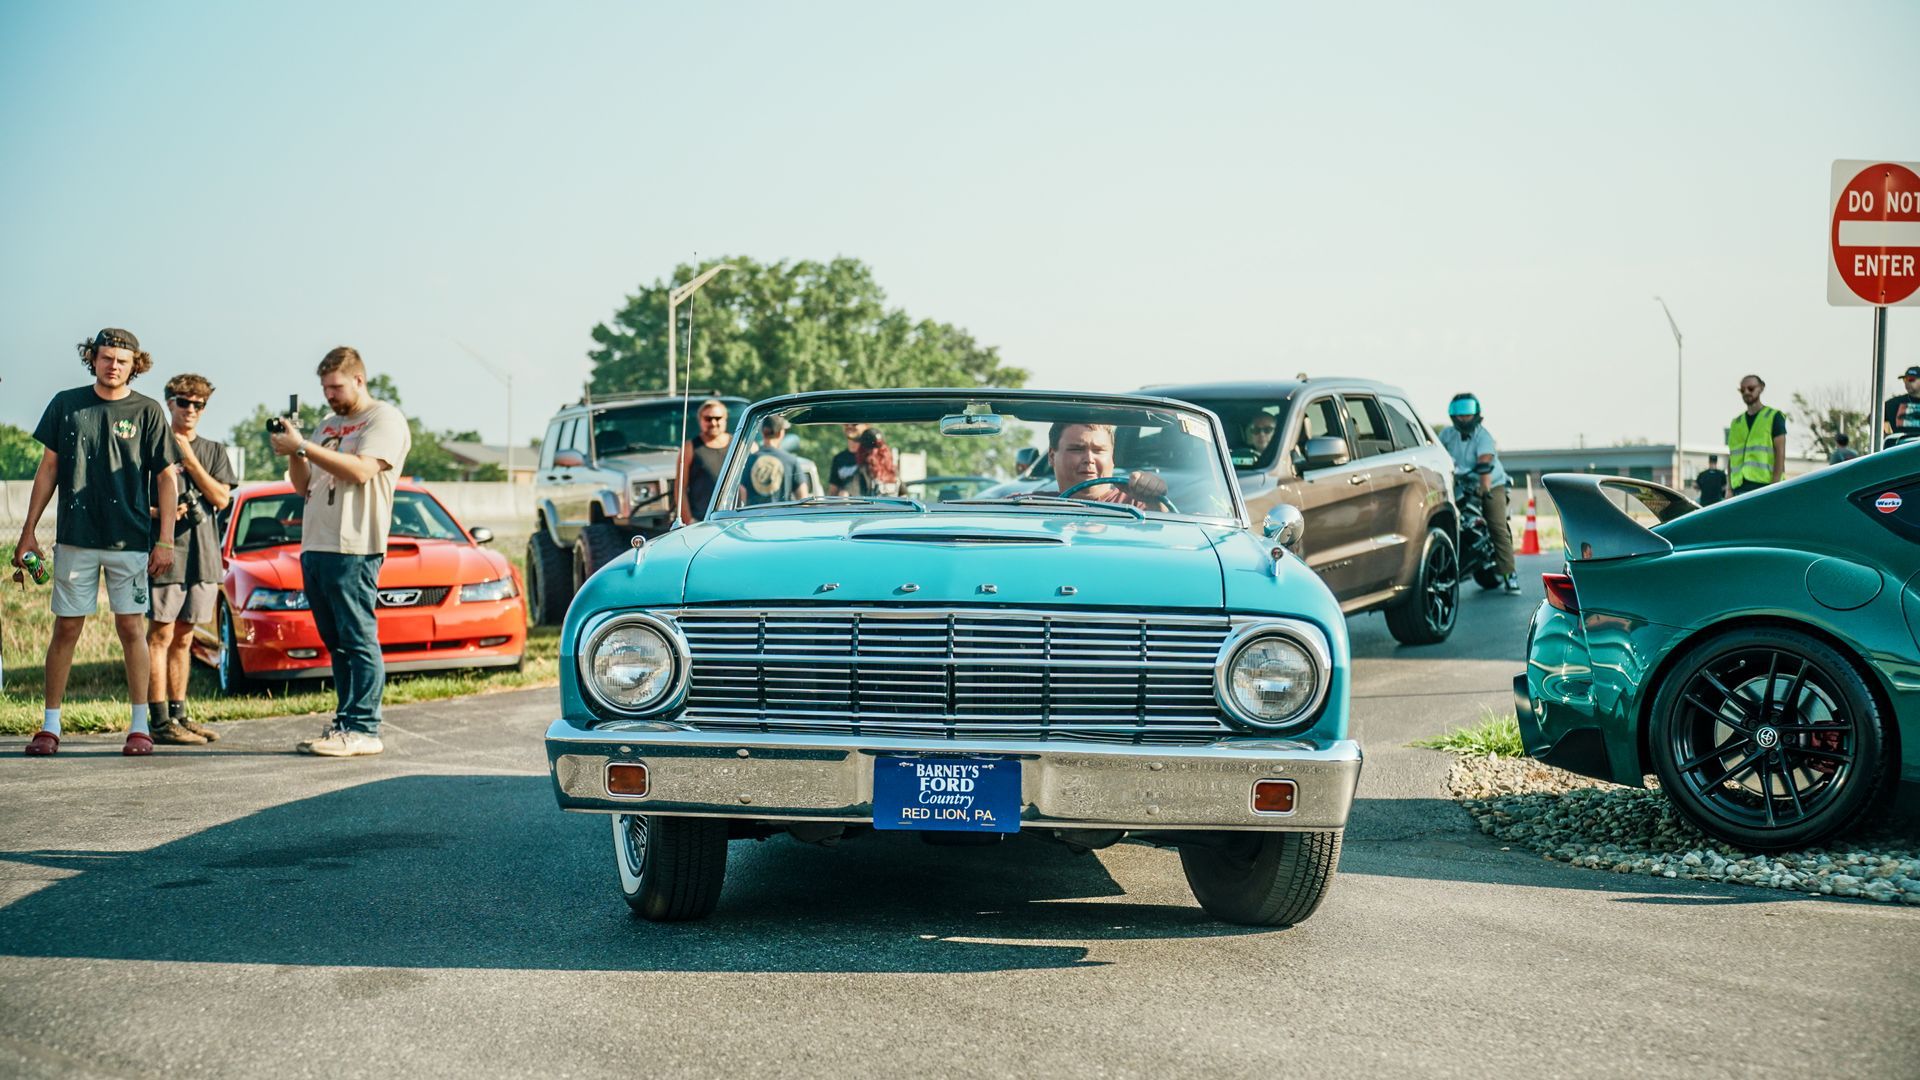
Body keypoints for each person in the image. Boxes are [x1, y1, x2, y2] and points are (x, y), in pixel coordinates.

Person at [15, 329, 179, 756]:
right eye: (106, 358)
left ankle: (139, 727)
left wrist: (166, 541)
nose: (113, 366)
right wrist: (29, 530)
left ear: (134, 364)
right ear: (93, 358)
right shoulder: (66, 403)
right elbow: (48, 468)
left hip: (131, 538)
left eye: (122, 361)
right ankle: (50, 726)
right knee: (67, 626)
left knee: (131, 628)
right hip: (76, 537)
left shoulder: (147, 410)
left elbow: (165, 476)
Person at [270, 346, 411, 757]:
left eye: (336, 387)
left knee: (357, 637)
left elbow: (362, 470)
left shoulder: (383, 418)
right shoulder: (328, 424)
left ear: (358, 380)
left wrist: (305, 447)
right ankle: (345, 723)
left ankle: (365, 727)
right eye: (325, 388)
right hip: (316, 542)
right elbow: (302, 485)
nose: (329, 395)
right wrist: (293, 449)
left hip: (355, 543)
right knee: (337, 642)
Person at [145, 374, 238, 745]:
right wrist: (162, 514)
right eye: (184, 402)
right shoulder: (151, 447)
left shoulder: (214, 451)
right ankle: (158, 718)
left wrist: (190, 458)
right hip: (166, 554)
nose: (192, 410)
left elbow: (221, 499)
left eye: (199, 404)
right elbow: (134, 502)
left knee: (185, 638)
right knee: (160, 634)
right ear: (169, 403)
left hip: (203, 556)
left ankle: (180, 714)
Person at [1439, 392, 1519, 593]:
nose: (1463, 417)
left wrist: (1484, 491)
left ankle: (1510, 574)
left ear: (1476, 413)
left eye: (1467, 412)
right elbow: (1437, 454)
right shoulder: (1447, 435)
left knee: (1496, 525)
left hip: (1491, 482)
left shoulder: (1483, 436)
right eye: (1458, 412)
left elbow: (1485, 463)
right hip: (1459, 482)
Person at [1042, 422, 1168, 509]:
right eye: (1077, 449)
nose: (1089, 459)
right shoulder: (1031, 506)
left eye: (1098, 450)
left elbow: (1165, 536)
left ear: (1112, 457)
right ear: (1052, 456)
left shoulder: (1137, 507)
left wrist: (1155, 502)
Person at [1727, 374, 1786, 495]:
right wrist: (1729, 489)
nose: (1746, 392)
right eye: (1742, 390)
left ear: (1761, 388)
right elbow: (1731, 458)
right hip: (1739, 488)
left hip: (1764, 486)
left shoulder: (1774, 416)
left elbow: (1780, 453)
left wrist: (1775, 486)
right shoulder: (1736, 423)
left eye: (1751, 388)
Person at [676, 398, 732, 524]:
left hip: (734, 517)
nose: (713, 422)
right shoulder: (689, 448)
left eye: (718, 418)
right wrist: (689, 521)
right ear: (700, 420)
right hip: (702, 521)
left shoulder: (739, 445)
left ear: (725, 419)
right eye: (708, 418)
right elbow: (680, 490)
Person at [738, 415, 811, 505]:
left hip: (754, 517)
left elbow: (742, 495)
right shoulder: (791, 460)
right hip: (781, 517)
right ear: (780, 433)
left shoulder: (749, 460)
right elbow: (803, 499)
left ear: (763, 432)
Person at [847, 428, 900, 496]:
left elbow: (844, 495)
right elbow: (904, 496)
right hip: (894, 506)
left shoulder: (863, 472)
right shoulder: (893, 471)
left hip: (873, 506)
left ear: (863, 450)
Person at [826, 422, 869, 496]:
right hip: (845, 506)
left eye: (854, 423)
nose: (849, 426)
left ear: (866, 426)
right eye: (845, 423)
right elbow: (832, 492)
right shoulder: (838, 458)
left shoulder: (873, 456)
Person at [1885, 365, 1920, 445]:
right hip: (1901, 450)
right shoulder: (1894, 404)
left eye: (1911, 379)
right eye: (1905, 380)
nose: (1907, 383)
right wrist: (1885, 435)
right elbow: (1873, 418)